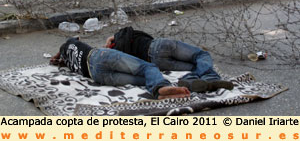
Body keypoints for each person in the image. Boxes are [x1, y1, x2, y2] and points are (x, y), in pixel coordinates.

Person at [50, 37, 190, 100]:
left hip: (96, 76)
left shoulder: (68, 63)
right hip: (100, 56)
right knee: (148, 68)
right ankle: (160, 87)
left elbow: (56, 58)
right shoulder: (71, 42)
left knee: (142, 79)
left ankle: (160, 93)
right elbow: (74, 40)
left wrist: (59, 59)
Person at [105, 27, 234, 93]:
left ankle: (191, 81)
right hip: (159, 46)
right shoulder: (124, 35)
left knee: (195, 67)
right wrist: (114, 36)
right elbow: (139, 33)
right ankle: (210, 77)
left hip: (156, 62)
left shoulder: (119, 55)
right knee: (201, 56)